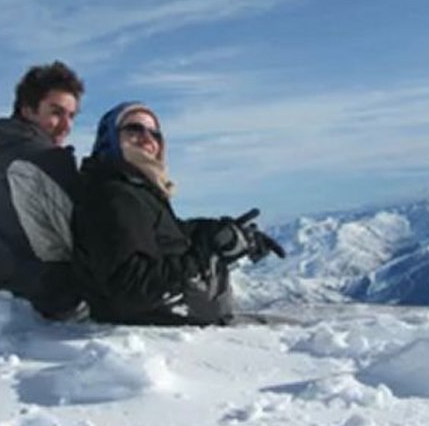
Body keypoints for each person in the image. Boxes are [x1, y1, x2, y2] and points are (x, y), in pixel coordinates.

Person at [71, 101, 283, 326]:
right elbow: (129, 287)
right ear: (109, 137)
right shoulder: (113, 197)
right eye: (134, 129)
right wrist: (205, 256)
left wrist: (222, 233)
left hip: (169, 320)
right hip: (150, 331)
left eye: (155, 134)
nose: (147, 138)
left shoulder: (135, 191)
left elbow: (169, 235)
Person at [0, 61, 87, 320]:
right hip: (56, 304)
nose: (66, 125)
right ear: (28, 110)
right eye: (56, 112)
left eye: (71, 116)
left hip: (6, 298)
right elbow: (85, 237)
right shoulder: (46, 161)